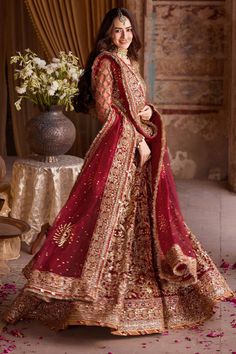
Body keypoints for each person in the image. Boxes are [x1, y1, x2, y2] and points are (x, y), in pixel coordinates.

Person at [4, 8, 233, 336]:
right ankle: (85, 296)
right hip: (117, 149)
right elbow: (104, 109)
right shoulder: (105, 62)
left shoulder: (132, 63)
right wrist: (137, 138)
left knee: (141, 217)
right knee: (97, 214)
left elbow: (135, 104)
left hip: (137, 148)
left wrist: (148, 113)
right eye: (117, 30)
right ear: (107, 34)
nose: (123, 35)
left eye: (127, 29)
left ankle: (142, 286)